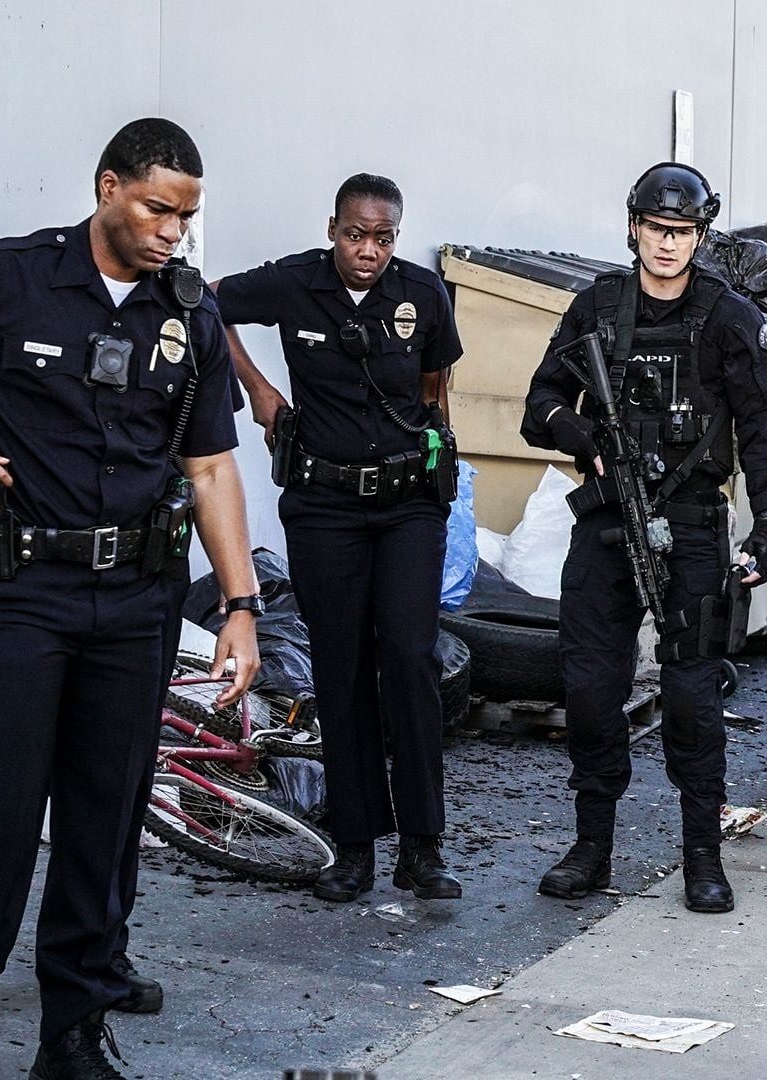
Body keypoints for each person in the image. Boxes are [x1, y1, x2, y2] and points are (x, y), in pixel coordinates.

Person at [0, 117, 260, 1080]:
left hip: (136, 600)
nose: (173, 232)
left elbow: (211, 468)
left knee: (105, 817)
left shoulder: (189, 316)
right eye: (158, 209)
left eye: (186, 217)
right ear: (108, 188)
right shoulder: (7, 275)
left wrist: (240, 606)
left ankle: (74, 1035)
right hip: (19, 593)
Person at [520, 162, 767, 914]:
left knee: (692, 696)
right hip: (608, 519)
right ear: (634, 228)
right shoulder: (598, 306)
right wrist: (582, 435)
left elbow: (762, 427)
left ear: (699, 236)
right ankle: (591, 845)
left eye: (682, 231)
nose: (667, 243)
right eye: (655, 228)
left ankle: (702, 854)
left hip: (695, 525)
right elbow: (539, 402)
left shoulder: (730, 318)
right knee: (589, 689)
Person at [214, 173, 465, 903]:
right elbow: (204, 300)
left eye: (383, 238)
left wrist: (436, 465)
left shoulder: (423, 293)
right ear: (333, 231)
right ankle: (354, 848)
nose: (369, 251)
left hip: (407, 506)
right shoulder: (294, 283)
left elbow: (434, 388)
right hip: (324, 506)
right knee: (341, 666)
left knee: (411, 659)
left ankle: (422, 847)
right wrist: (258, 389)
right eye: (356, 235)